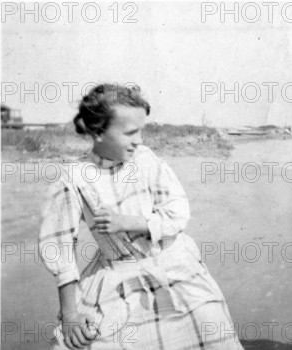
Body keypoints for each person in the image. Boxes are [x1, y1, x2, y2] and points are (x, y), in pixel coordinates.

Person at [39, 84, 243, 349]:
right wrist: (69, 316)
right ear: (98, 132)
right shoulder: (74, 178)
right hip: (118, 277)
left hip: (173, 266)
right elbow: (60, 248)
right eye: (130, 133)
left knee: (210, 325)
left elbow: (178, 212)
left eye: (142, 131)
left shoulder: (146, 159)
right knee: (84, 343)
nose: (140, 140)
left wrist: (129, 222)